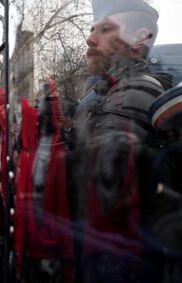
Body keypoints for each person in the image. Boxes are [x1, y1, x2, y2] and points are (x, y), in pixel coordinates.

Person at [68, 0, 166, 282]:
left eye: (106, 29)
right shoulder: (102, 92)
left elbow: (103, 176)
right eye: (92, 28)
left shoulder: (137, 88)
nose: (89, 37)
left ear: (139, 39)